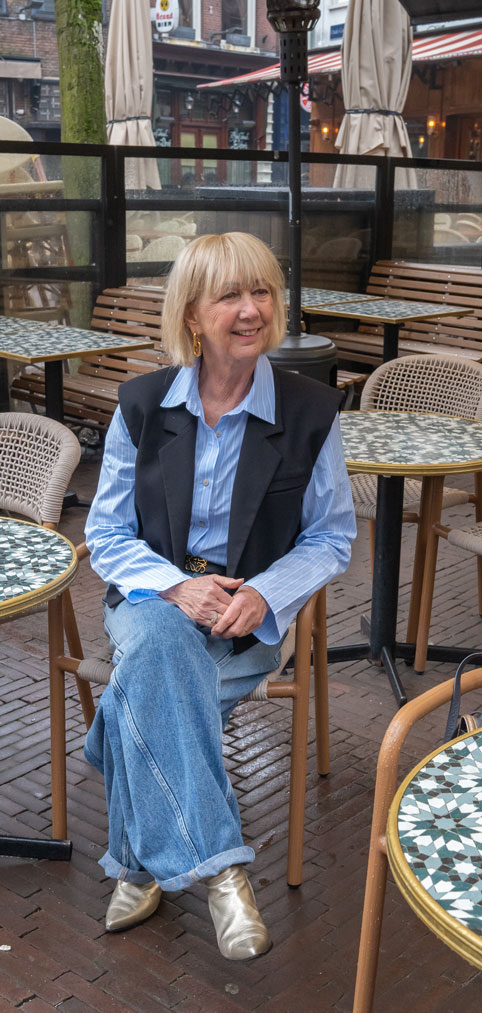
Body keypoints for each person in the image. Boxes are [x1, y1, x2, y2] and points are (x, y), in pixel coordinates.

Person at [83, 232, 356, 960]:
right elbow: (106, 536)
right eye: (229, 295)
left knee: (139, 696)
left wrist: (266, 594)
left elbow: (330, 538)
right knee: (164, 644)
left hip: (245, 618)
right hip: (152, 597)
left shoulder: (308, 412)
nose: (250, 309)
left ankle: (137, 866)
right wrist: (177, 584)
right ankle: (223, 868)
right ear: (192, 314)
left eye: (261, 290)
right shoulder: (141, 405)